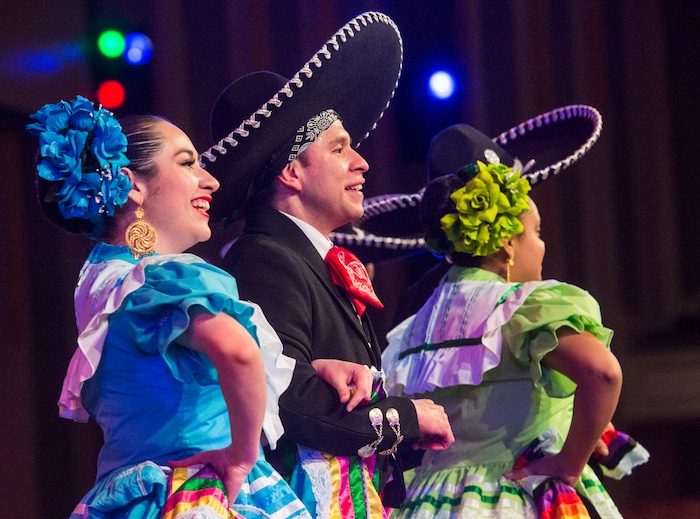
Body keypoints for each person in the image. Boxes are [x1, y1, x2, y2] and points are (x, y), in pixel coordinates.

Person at [28, 95, 372, 519]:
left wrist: (310, 369)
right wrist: (242, 456)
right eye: (188, 163)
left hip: (131, 497)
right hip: (195, 492)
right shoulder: (165, 279)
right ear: (133, 184)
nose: (210, 181)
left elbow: (171, 375)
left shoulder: (103, 281)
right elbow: (235, 352)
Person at [201, 12, 454, 518]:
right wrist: (405, 418)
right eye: (340, 148)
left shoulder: (302, 258)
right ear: (292, 171)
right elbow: (289, 401)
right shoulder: (265, 259)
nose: (361, 162)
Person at [380, 120, 649, 518]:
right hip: (513, 492)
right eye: (536, 232)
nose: (542, 245)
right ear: (507, 243)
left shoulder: (414, 326)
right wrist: (569, 462)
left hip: (433, 499)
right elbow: (603, 373)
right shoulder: (523, 306)